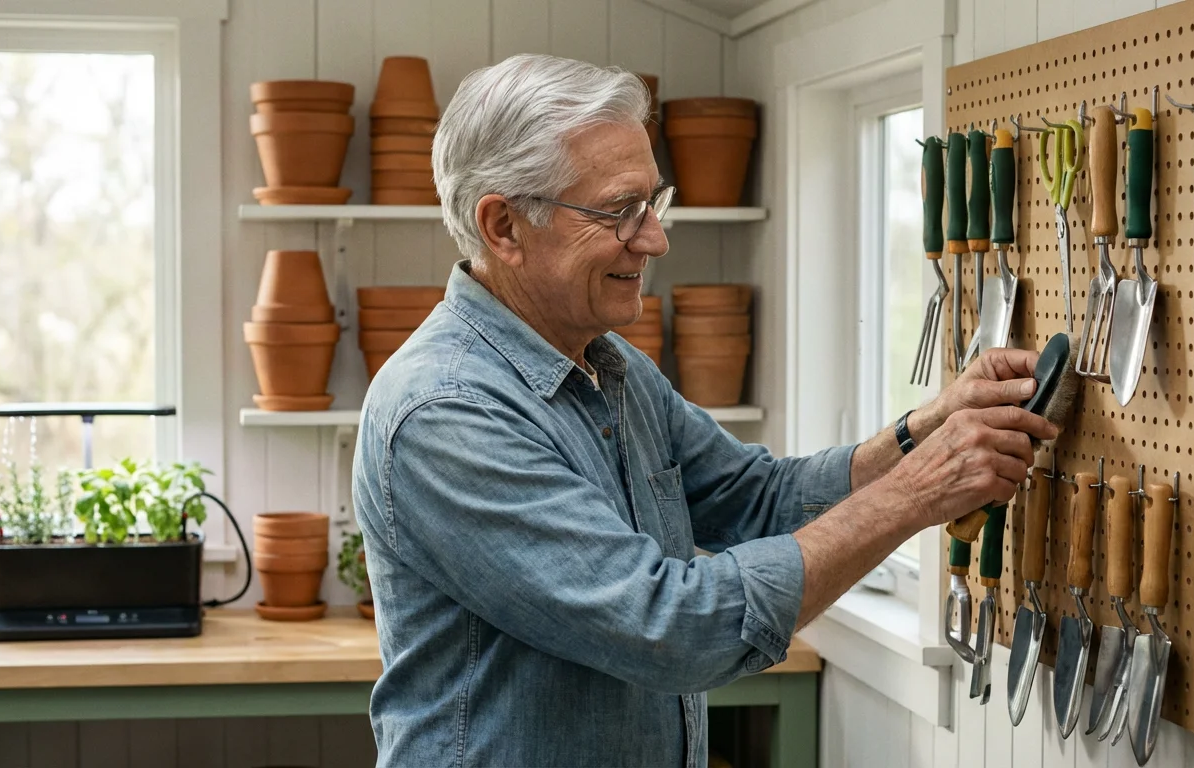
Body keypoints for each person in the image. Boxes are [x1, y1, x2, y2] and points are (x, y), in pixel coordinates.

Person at [352, 53, 1057, 768]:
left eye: (653, 204)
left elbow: (758, 498)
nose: (655, 239)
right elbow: (674, 630)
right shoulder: (445, 413)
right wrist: (917, 492)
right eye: (620, 212)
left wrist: (921, 433)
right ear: (504, 226)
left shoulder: (609, 365)